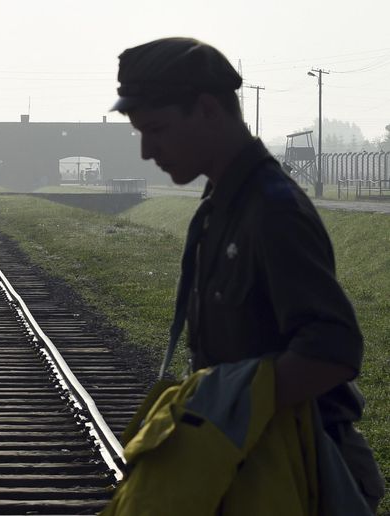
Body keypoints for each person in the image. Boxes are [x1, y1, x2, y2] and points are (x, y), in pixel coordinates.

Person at [111, 37, 384, 512]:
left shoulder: (273, 210)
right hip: (248, 465)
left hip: (297, 472)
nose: (146, 151)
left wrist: (224, 414)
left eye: (156, 129)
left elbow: (334, 348)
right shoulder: (223, 205)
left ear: (207, 109)